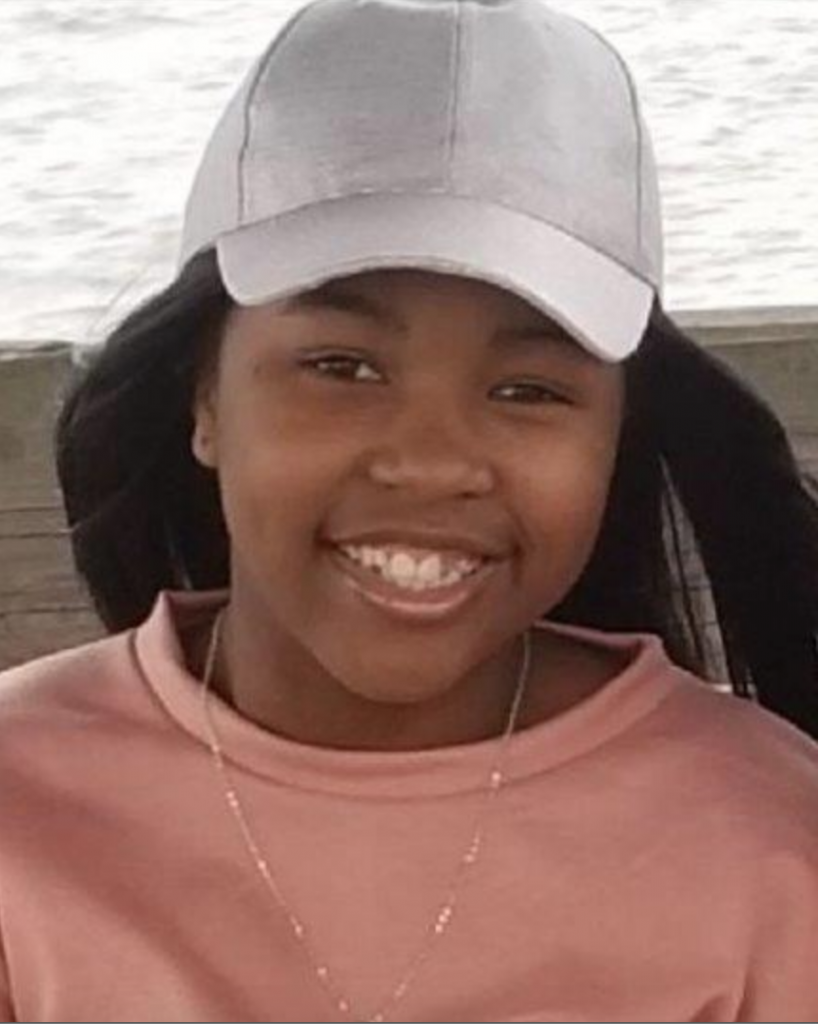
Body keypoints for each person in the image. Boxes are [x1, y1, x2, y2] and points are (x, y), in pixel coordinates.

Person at [2, 0, 818, 1020]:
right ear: (204, 398)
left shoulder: (771, 849)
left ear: (616, 434)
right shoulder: (23, 806)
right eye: (342, 366)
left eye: (527, 389)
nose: (430, 463)